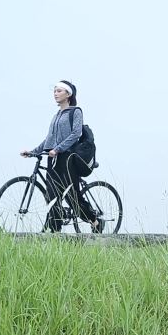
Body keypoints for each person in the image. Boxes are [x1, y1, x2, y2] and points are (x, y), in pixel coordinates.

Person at [20, 81, 104, 233]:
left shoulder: (75, 111)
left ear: (68, 94)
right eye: (54, 91)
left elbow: (76, 134)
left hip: (68, 159)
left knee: (72, 197)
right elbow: (49, 139)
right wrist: (34, 152)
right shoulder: (56, 115)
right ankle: (55, 231)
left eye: (59, 91)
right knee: (52, 197)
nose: (55, 93)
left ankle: (95, 220)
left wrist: (58, 149)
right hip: (53, 159)